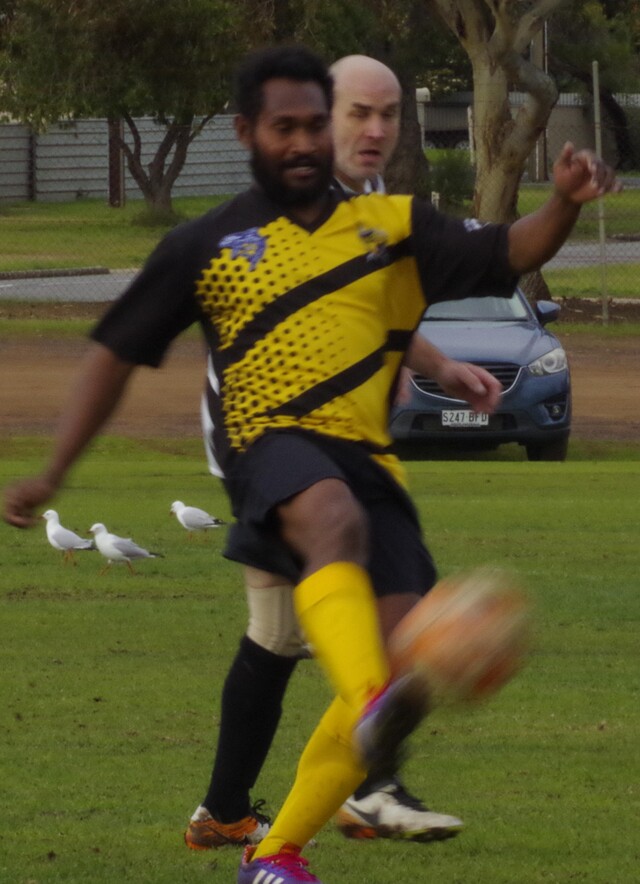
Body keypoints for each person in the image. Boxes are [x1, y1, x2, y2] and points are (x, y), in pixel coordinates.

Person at [4, 45, 619, 884]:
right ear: (247, 132)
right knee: (332, 526)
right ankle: (362, 709)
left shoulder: (393, 226)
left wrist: (565, 202)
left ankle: (275, 853)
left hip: (371, 460)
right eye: (284, 126)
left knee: (411, 666)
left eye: (314, 125)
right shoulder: (206, 244)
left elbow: (509, 249)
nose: (301, 143)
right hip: (270, 445)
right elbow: (114, 355)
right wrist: (53, 472)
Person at [189, 53, 496, 850]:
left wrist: (441, 367)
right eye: (358, 112)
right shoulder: (283, 206)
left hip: (336, 451)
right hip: (266, 446)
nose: (375, 129)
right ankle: (349, 788)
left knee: (293, 632)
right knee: (294, 628)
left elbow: (368, 314)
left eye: (388, 114)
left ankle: (255, 806)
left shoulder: (367, 207)